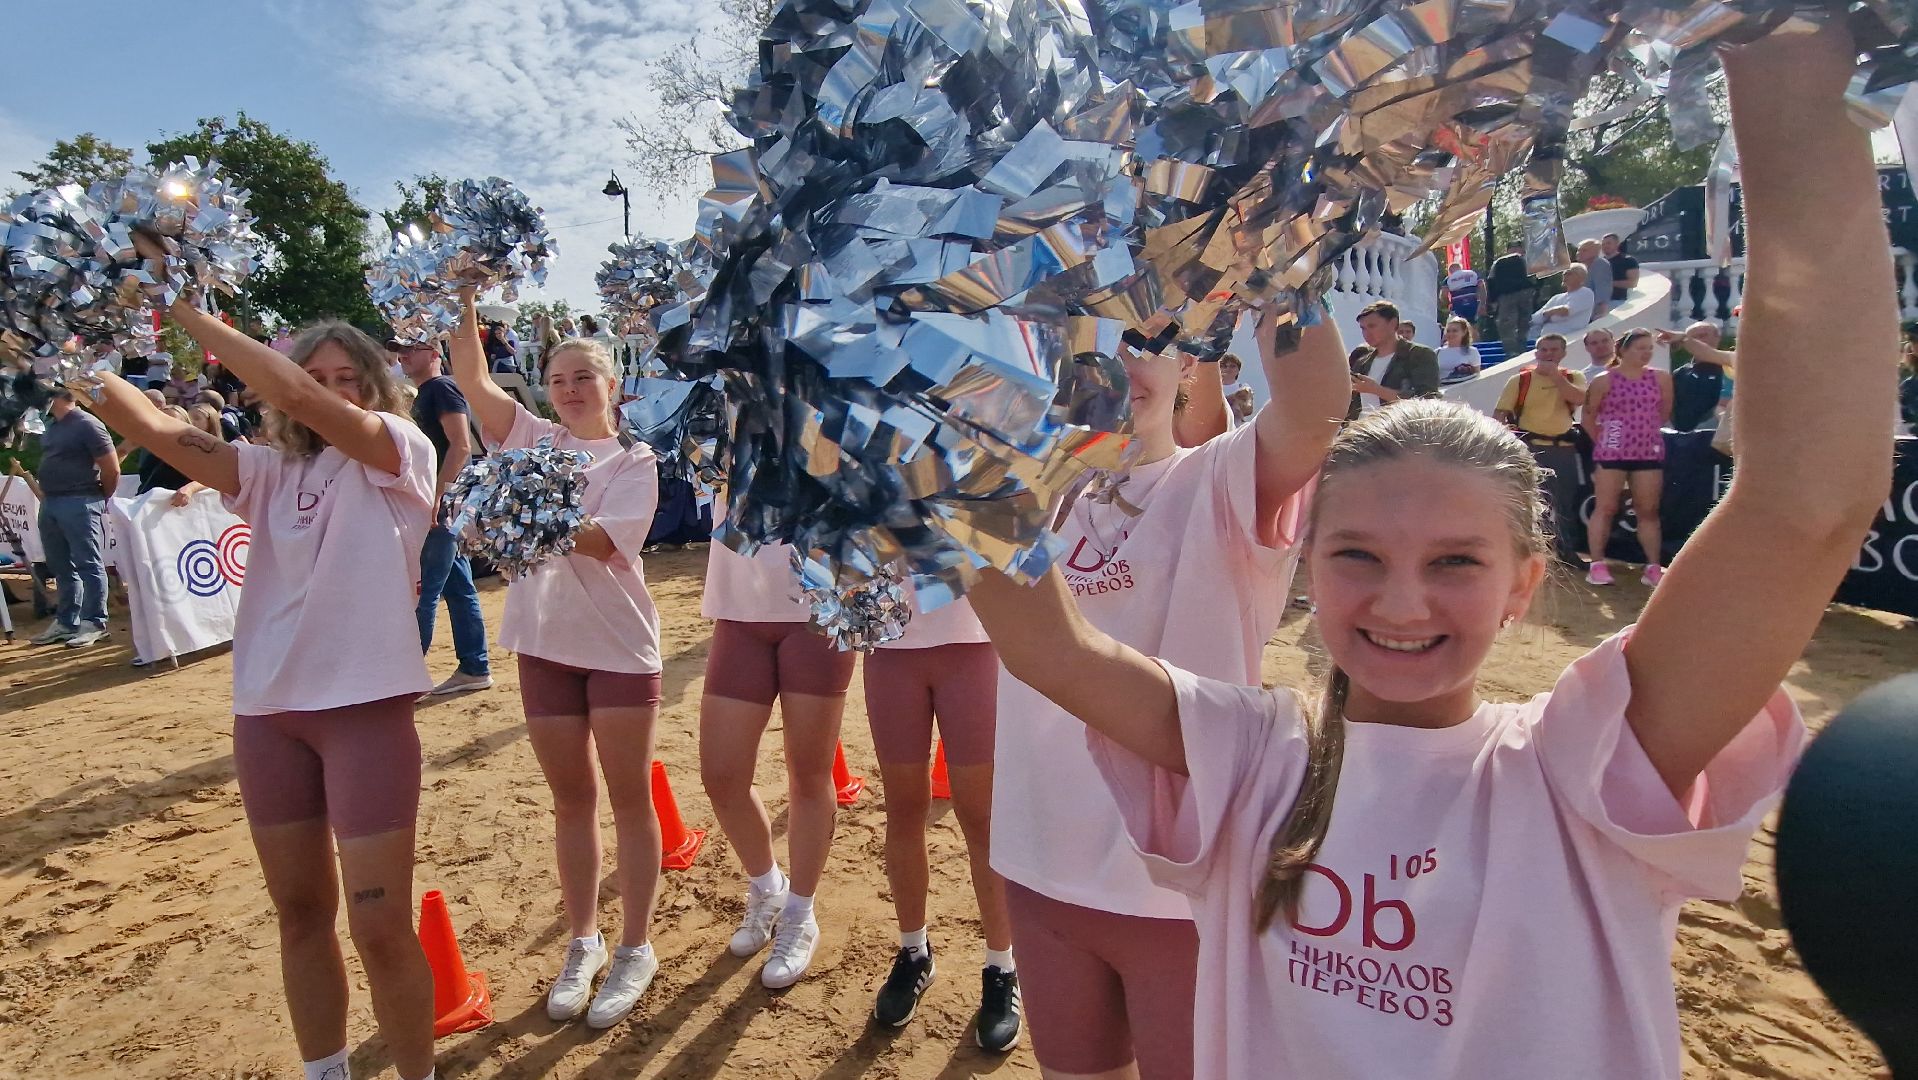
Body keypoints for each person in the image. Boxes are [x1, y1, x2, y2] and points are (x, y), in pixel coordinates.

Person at [963, 28, 1888, 1078]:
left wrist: (1783, 59)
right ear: (1306, 564)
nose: (1401, 602)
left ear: (1523, 585)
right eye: (1357, 554)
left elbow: (1805, 505)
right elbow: (1055, 650)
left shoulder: (1583, 770)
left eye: (1454, 562)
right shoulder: (1251, 761)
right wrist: (925, 385)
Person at [73, 285, 442, 1080]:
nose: (333, 390)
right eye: (321, 375)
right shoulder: (267, 470)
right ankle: (326, 1071)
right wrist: (74, 359)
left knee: (381, 926)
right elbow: (153, 426)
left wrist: (178, 304)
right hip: (269, 715)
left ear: (373, 387)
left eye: (351, 377)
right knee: (301, 915)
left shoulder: (401, 451)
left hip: (364, 715)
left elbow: (296, 393)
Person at [989, 302, 1346, 1080]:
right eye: (1081, 340)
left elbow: (1317, 404)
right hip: (1039, 860)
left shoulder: (1220, 479)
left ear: (1187, 361)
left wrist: (1269, 245)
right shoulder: (1009, 498)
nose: (1116, 362)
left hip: (1177, 888)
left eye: (1142, 339)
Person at [447, 286, 667, 1029]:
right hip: (542, 647)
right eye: (559, 378)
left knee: (629, 798)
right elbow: (472, 379)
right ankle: (584, 940)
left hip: (619, 650)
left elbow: (604, 544)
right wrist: (462, 292)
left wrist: (512, 509)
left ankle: (636, 945)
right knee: (571, 802)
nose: (570, 389)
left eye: (585, 377)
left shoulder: (637, 459)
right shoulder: (532, 441)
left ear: (614, 386)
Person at [699, 521, 857, 989]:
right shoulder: (723, 442)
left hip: (819, 607)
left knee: (808, 772)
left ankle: (800, 913)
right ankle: (768, 887)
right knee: (722, 775)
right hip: (740, 608)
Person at [864, 590, 1022, 1050]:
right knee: (903, 810)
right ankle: (914, 952)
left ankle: (1002, 966)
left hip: (972, 643)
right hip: (891, 645)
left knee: (981, 817)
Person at [399, 339, 491, 698]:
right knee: (457, 587)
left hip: (440, 505)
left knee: (423, 590)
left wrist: (440, 495)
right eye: (399, 348)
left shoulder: (441, 387)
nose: (403, 354)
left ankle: (406, 679)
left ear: (435, 353)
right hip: (444, 503)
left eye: (412, 347)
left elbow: (461, 445)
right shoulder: (431, 390)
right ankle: (474, 666)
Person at [28, 387, 119, 649]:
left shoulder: (88, 424)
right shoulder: (52, 424)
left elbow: (111, 466)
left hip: (80, 500)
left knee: (88, 563)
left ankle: (94, 622)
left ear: (57, 396)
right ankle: (67, 621)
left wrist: (100, 496)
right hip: (52, 501)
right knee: (60, 565)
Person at [1583, 328, 1674, 587]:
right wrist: (1605, 440)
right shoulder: (1604, 379)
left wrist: (1644, 432)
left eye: (1649, 348)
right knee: (1606, 507)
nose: (1646, 353)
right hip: (1612, 451)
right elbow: (1589, 417)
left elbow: (1663, 412)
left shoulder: (1661, 378)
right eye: (1640, 348)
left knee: (1648, 510)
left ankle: (1653, 566)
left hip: (1647, 450)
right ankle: (1597, 564)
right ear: (1624, 350)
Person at [1493, 333, 1588, 568]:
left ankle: (1566, 551)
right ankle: (1529, 553)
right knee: (1528, 501)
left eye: (1554, 350)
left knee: (1565, 502)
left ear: (1563, 353)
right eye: (1544, 350)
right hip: (1530, 447)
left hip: (1562, 448)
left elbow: (1578, 399)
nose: (1548, 355)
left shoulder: (1574, 377)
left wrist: (1556, 376)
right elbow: (1500, 414)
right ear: (1536, 353)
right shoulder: (1520, 381)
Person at [1346, 301, 1439, 420]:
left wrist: (1377, 390)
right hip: (1363, 431)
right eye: (1363, 328)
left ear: (1393, 323)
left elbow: (1427, 402)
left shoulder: (1419, 355)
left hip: (1398, 432)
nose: (1366, 333)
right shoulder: (1362, 362)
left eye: (1372, 326)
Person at [1667, 321, 1731, 432]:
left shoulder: (1730, 370)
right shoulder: (1680, 373)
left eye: (1703, 336)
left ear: (1717, 337)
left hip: (1719, 439)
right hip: (1684, 440)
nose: (1698, 341)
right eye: (1693, 338)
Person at [1486, 241, 1534, 361]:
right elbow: (1491, 282)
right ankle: (1515, 349)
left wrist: (1492, 300)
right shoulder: (1523, 260)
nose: (1514, 250)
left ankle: (1515, 349)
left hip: (1511, 294)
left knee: (1512, 323)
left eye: (1516, 248)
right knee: (1515, 322)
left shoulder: (1500, 262)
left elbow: (1491, 281)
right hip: (1514, 294)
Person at [1532, 263, 1595, 339]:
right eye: (1564, 273)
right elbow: (1536, 318)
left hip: (1569, 339)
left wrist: (1548, 315)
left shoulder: (1585, 293)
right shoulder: (1556, 297)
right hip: (1545, 338)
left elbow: (1566, 311)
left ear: (1581, 277)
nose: (1565, 275)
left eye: (1569, 273)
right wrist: (1549, 314)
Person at [1576, 239, 1615, 320]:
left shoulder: (1600, 264)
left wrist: (1601, 312)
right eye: (1578, 250)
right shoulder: (1581, 267)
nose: (1579, 253)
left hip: (1593, 313)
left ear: (1595, 252)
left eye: (1584, 250)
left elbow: (1603, 288)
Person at [1436, 317, 1482, 383]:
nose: (1450, 334)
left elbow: (1476, 375)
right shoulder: (1437, 352)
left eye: (1455, 331)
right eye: (1448, 331)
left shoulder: (1472, 352)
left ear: (1464, 332)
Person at [1603, 233, 1639, 308]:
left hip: (1618, 302)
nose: (1605, 246)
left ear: (1617, 244)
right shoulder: (1599, 262)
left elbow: (1633, 283)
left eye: (1608, 243)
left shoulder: (1628, 260)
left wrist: (1608, 283)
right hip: (1599, 303)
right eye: (1603, 244)